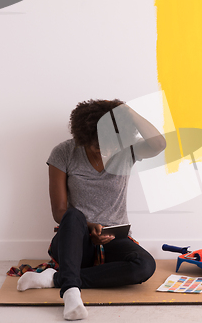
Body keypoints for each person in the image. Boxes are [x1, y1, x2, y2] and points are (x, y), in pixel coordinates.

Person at [16, 99, 166, 320]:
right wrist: (88, 228)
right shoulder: (64, 152)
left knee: (144, 266)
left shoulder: (126, 151)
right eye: (99, 145)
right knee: (73, 214)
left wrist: (127, 112)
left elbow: (159, 144)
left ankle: (58, 279)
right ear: (84, 138)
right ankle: (71, 294)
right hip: (74, 240)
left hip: (114, 238)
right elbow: (59, 211)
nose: (106, 150)